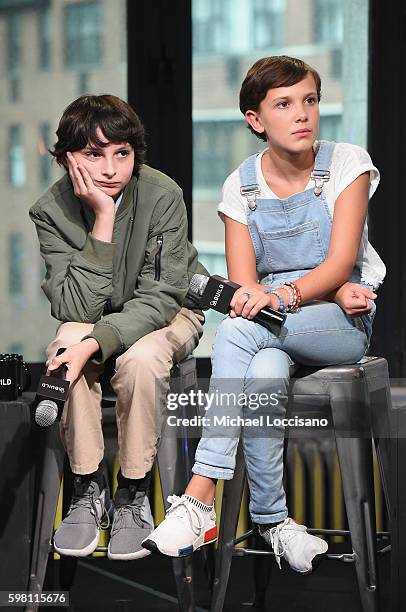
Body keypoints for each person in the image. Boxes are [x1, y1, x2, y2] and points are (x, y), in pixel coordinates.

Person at [142, 56, 386, 573]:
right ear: (255, 120)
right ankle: (275, 521)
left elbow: (342, 262)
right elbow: (244, 287)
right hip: (273, 328)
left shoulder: (348, 164)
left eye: (310, 100)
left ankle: (200, 492)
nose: (303, 114)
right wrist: (275, 298)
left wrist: (305, 294)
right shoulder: (242, 186)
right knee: (264, 368)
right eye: (284, 104)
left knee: (235, 333)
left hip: (341, 325)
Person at [29, 94, 207, 561]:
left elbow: (162, 295)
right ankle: (88, 489)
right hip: (95, 322)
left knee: (141, 356)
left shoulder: (162, 193)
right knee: (68, 341)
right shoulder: (51, 210)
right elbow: (73, 305)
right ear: (69, 157)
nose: (110, 168)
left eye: (121, 153)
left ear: (134, 153)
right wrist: (103, 220)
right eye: (94, 154)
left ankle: (133, 491)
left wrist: (95, 342)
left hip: (168, 315)